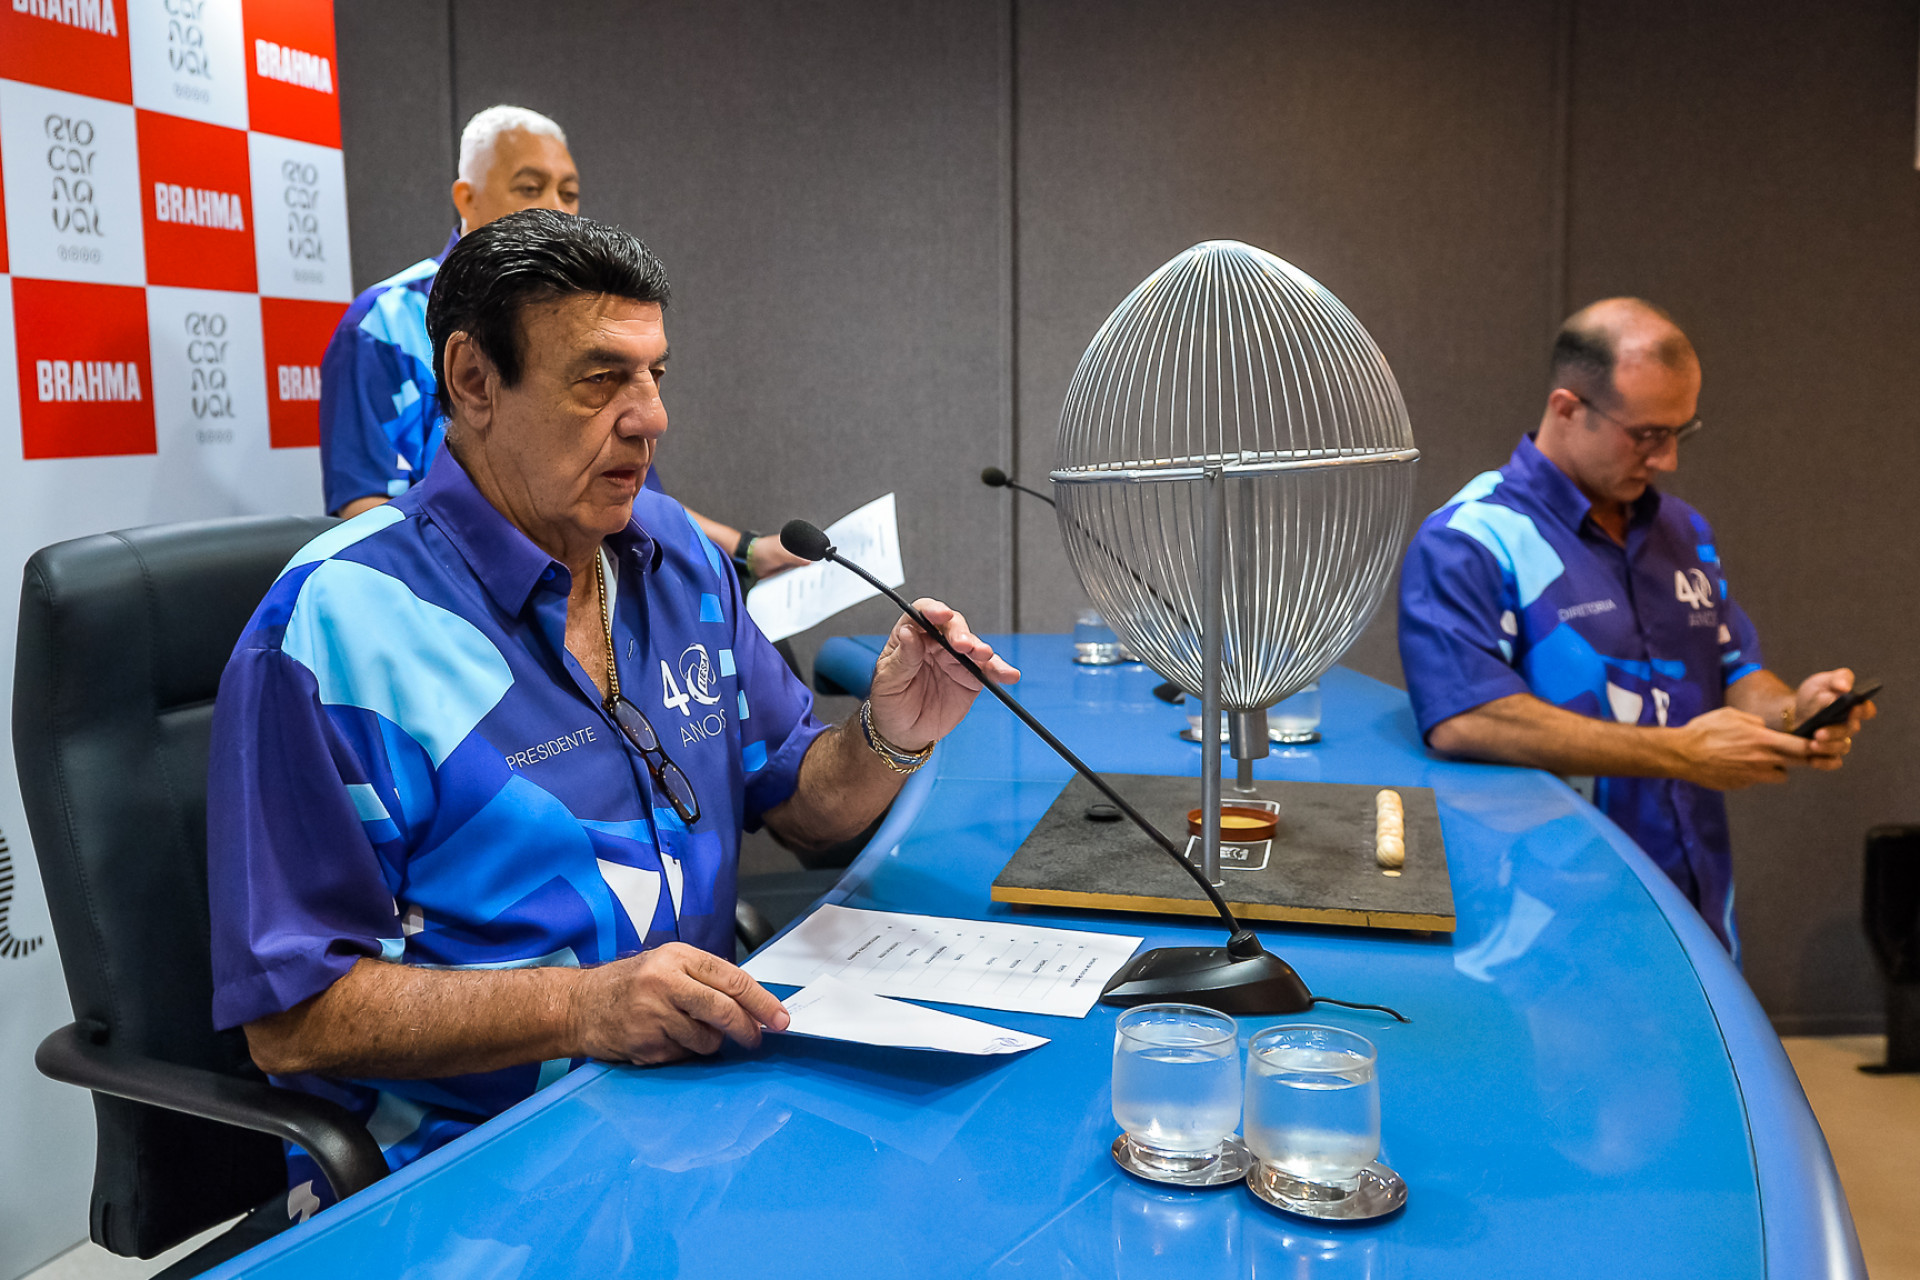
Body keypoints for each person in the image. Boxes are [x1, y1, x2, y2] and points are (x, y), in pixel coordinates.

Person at [209, 209, 1019, 1210]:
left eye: (656, 374)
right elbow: (291, 1017)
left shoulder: (676, 555)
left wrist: (890, 733)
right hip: (472, 1182)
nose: (650, 417)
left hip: (703, 1123)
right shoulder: (337, 624)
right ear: (473, 381)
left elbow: (805, 806)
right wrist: (583, 1007)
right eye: (601, 379)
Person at [1396, 297, 1872, 958]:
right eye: (1647, 434)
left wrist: (1798, 711)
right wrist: (1680, 752)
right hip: (1545, 926)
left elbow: (1734, 672)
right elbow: (1468, 718)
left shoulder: (1682, 529)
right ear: (1568, 408)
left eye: (1680, 432)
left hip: (1695, 906)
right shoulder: (1471, 539)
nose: (1668, 458)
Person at [318, 104, 806, 581]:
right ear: (466, 199)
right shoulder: (383, 323)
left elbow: (633, 500)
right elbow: (366, 509)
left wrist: (744, 550)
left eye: (568, 193)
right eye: (530, 188)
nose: (555, 206)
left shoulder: (590, 317)